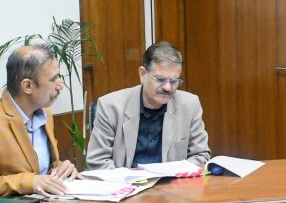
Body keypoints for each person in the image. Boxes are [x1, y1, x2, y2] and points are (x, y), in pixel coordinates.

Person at [0, 45, 79, 203]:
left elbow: (39, 169)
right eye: (54, 79)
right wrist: (28, 182)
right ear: (28, 86)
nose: (60, 85)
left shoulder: (45, 114)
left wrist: (61, 169)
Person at [86, 41, 211, 170]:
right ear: (142, 74)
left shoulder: (190, 105)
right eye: (160, 79)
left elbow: (201, 155)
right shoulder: (110, 106)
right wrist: (131, 179)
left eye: (174, 81)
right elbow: (97, 161)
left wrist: (172, 175)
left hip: (172, 181)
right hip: (125, 181)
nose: (168, 87)